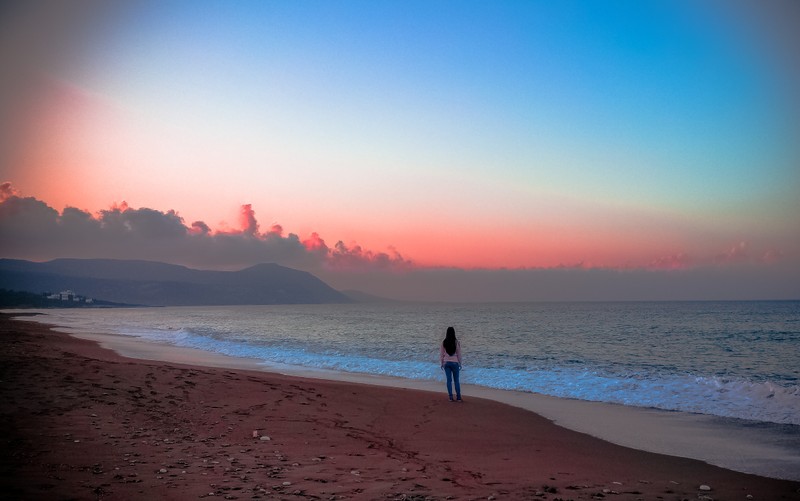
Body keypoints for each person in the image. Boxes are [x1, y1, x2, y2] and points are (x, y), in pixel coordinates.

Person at [439, 326, 462, 402]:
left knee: (449, 380)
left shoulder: (444, 342)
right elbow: (459, 354)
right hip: (455, 363)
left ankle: (450, 397)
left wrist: (442, 363)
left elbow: (441, 354)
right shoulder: (456, 342)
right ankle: (458, 397)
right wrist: (460, 363)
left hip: (446, 363)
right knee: (456, 381)